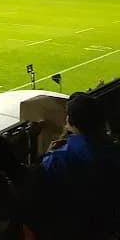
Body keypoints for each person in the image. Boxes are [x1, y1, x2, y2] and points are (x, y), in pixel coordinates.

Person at [36, 93, 120, 239]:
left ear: (68, 120)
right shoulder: (114, 150)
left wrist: (47, 155)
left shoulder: (57, 159)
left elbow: (41, 194)